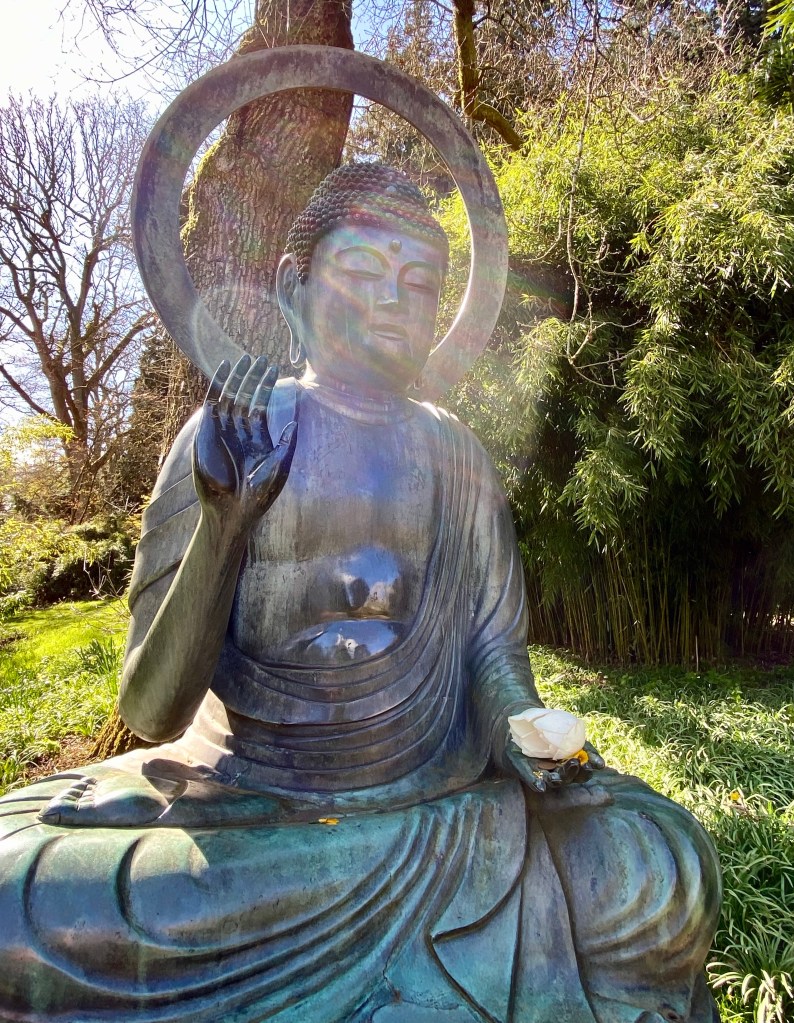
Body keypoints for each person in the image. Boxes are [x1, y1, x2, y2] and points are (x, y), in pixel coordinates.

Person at [0, 164, 721, 1023]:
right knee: (18, 897)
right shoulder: (228, 433)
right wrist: (225, 523)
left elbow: (495, 655)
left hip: (441, 809)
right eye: (363, 273)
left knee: (661, 864)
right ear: (292, 289)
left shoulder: (457, 455)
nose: (394, 301)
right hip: (254, 805)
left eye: (419, 284)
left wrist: (535, 749)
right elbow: (152, 708)